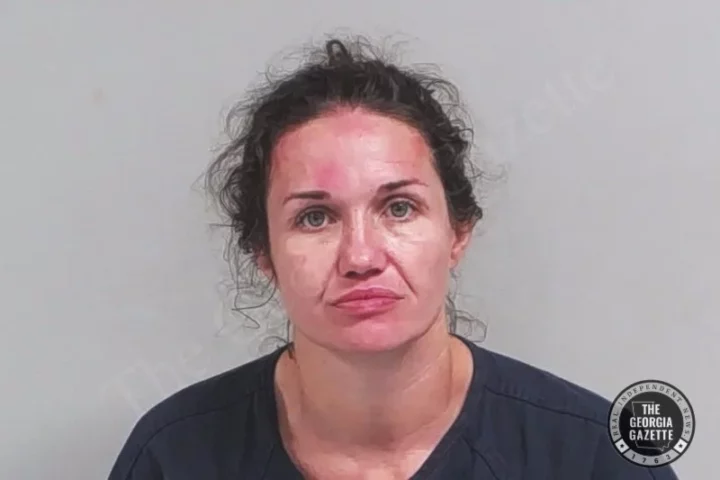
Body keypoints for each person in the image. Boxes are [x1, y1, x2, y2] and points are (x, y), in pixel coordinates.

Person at [108, 36, 679, 479]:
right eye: (315, 217)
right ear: (264, 254)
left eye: (399, 208)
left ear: (458, 232)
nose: (360, 256)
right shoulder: (174, 456)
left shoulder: (594, 456)